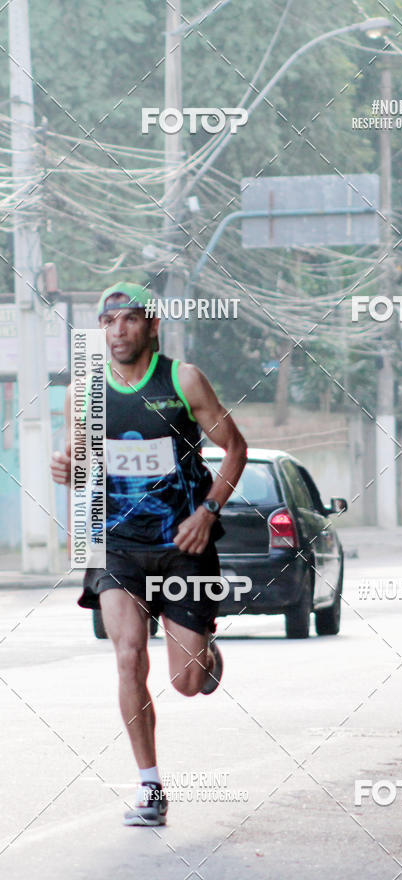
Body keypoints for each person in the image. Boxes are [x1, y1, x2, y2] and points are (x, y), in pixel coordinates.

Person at [50, 282, 247, 826]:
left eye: (129, 319)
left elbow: (235, 448)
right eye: (108, 322)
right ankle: (150, 788)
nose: (118, 331)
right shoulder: (84, 390)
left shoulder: (183, 380)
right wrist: (68, 473)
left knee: (185, 682)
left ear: (152, 326)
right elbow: (83, 465)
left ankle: (204, 657)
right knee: (128, 657)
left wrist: (207, 512)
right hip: (121, 549)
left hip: (186, 545)